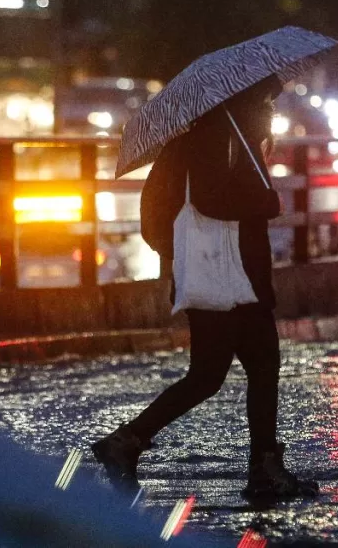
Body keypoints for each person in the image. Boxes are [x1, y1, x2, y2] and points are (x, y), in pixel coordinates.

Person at [91, 77, 319, 499]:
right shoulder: (220, 137)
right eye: (266, 100)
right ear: (244, 100)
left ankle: (258, 465)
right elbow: (212, 200)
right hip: (227, 277)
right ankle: (129, 442)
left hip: (224, 273)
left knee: (230, 371)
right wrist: (266, 202)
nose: (271, 109)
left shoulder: (223, 135)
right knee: (233, 370)